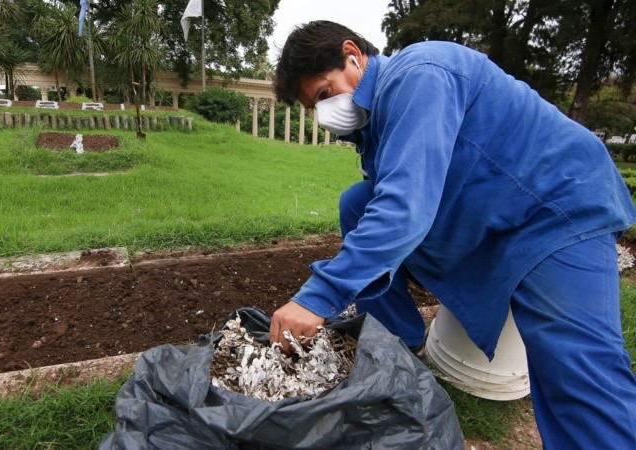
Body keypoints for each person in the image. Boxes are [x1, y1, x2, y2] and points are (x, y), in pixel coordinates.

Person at [269, 20, 636, 448]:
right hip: (500, 212)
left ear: (353, 54)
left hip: (556, 206)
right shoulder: (375, 126)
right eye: (316, 105)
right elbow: (395, 201)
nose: (326, 111)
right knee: (358, 203)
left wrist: (318, 296)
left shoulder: (419, 75)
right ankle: (400, 348)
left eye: (325, 93)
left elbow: (405, 205)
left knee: (576, 371)